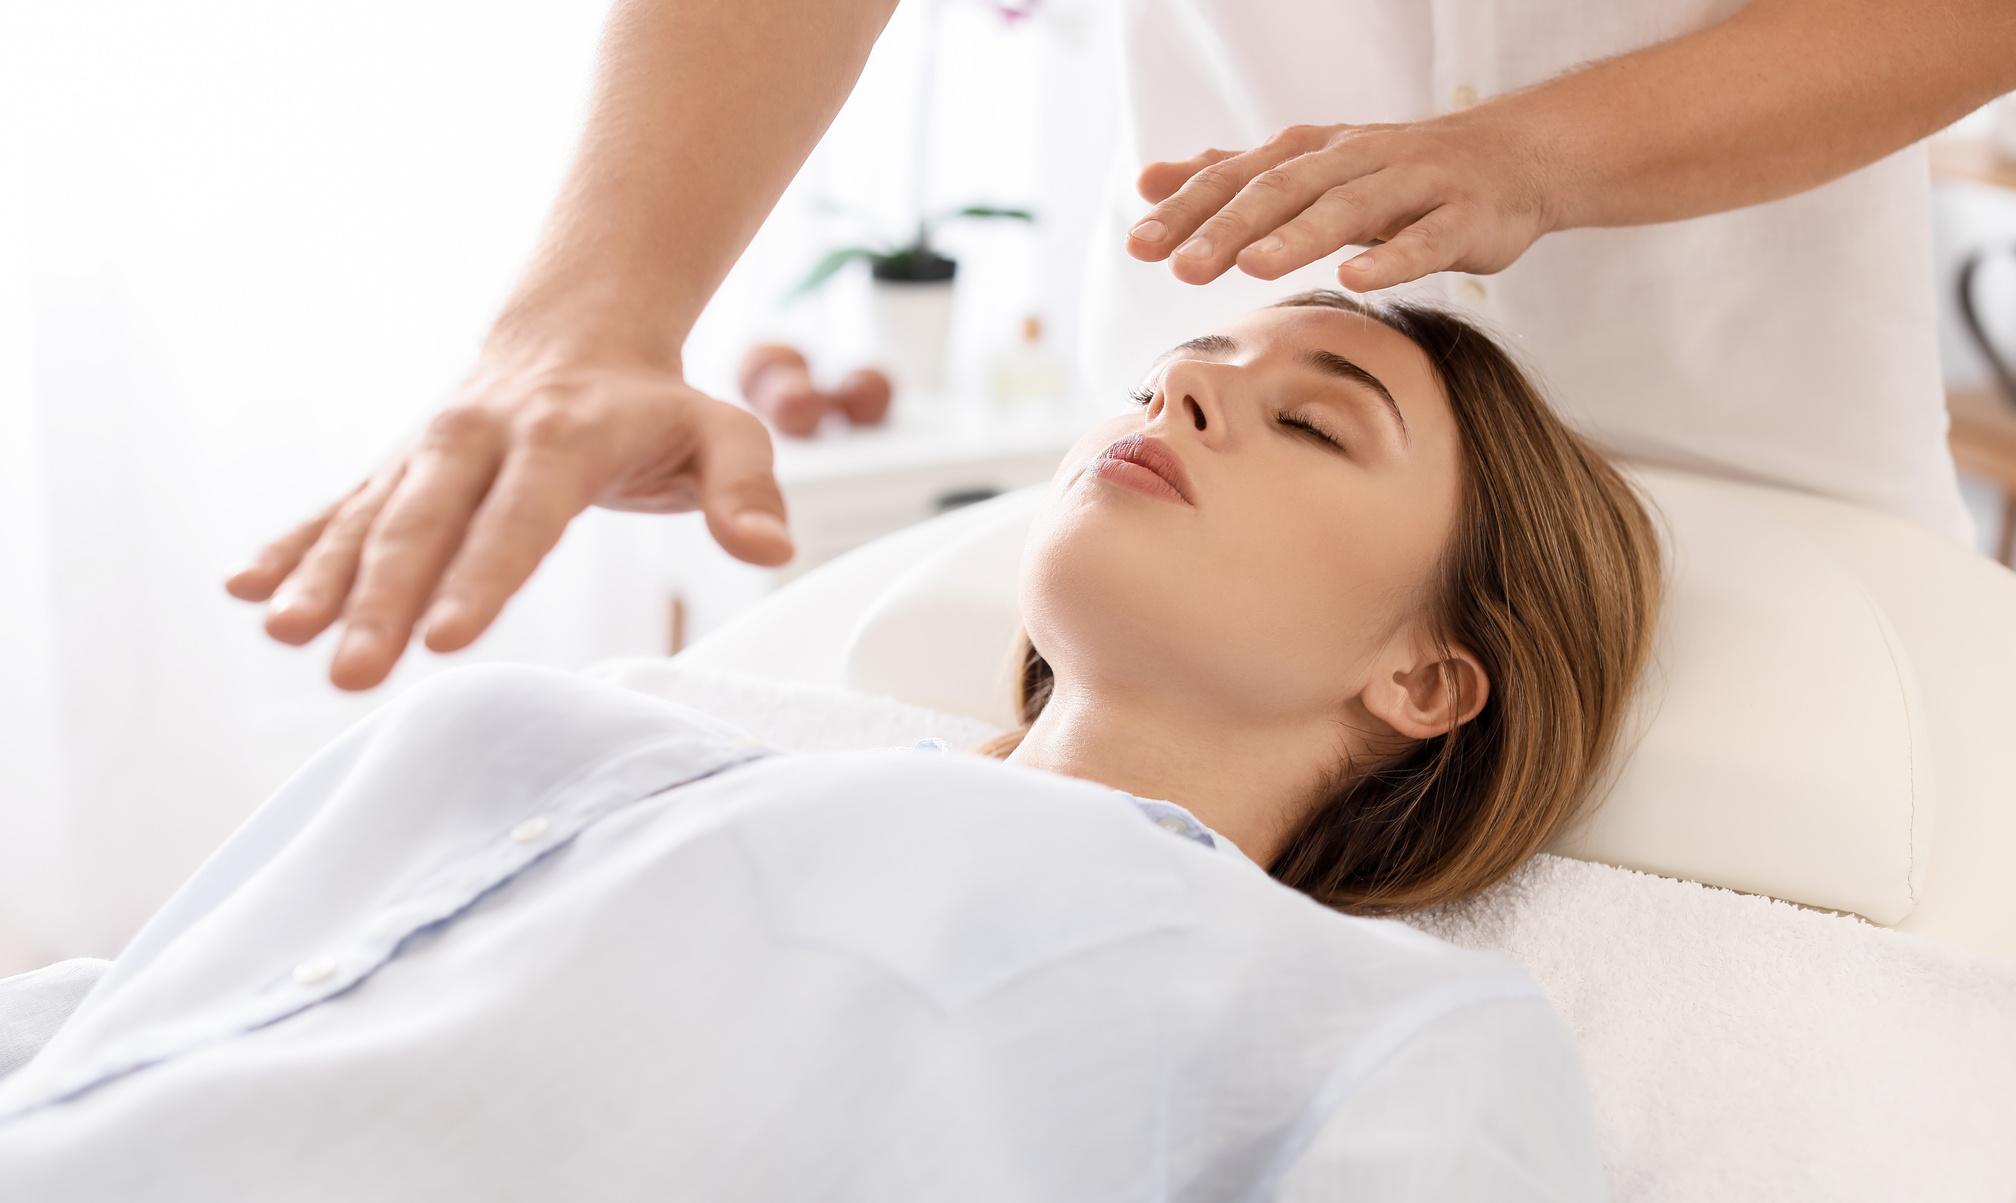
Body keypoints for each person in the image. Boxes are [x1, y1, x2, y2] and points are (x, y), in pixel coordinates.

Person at [2, 297, 1655, 1203]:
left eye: (1314, 419)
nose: (1185, 400)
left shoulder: (1381, 1034)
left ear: (1432, 679)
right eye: (1176, 369)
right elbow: (119, 1021)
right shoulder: (571, 735)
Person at [219, 0, 2015, 693]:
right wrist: (592, 311)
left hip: (1760, 435)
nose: (1205, 398)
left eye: (1304, 422)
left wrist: (1536, 155)